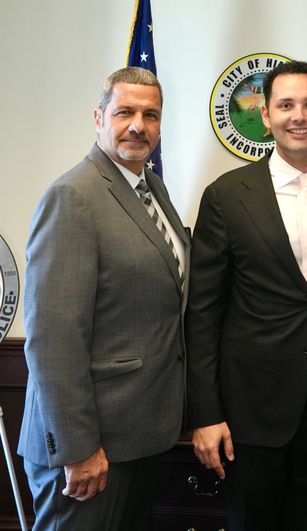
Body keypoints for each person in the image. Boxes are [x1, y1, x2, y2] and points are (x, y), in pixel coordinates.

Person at [186, 60, 307, 530]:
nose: (299, 115)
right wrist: (205, 414)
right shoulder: (227, 195)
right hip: (249, 411)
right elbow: (203, 313)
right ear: (266, 116)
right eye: (285, 105)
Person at [18, 67, 188, 530]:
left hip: (138, 435)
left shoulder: (151, 187)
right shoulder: (73, 196)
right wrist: (78, 448)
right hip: (89, 449)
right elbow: (53, 338)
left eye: (151, 115)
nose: (139, 125)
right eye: (125, 112)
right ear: (99, 117)